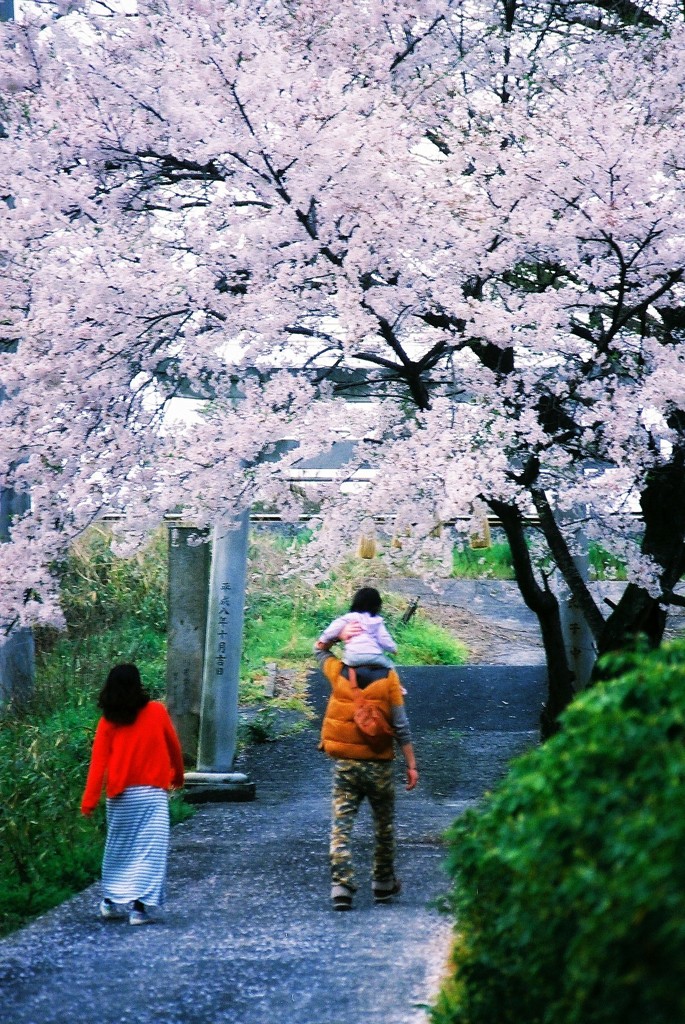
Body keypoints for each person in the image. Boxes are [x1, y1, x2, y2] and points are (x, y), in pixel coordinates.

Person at [314, 629, 419, 912]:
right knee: (383, 826)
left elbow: (319, 649)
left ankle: (341, 887)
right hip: (380, 767)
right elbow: (401, 725)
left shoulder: (339, 672)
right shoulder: (389, 678)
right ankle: (383, 883)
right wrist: (411, 764)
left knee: (341, 827)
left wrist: (340, 633)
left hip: (346, 765)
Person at [80, 663, 185, 926]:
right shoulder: (157, 712)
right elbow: (174, 747)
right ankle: (139, 909)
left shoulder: (108, 721)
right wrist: (178, 776)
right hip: (151, 796)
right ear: (138, 684)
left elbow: (98, 764)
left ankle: (110, 900)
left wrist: (89, 801)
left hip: (120, 798)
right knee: (151, 851)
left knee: (120, 849)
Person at [317, 586, 398, 672]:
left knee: (347, 668)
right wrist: (393, 649)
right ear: (378, 605)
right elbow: (384, 638)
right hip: (373, 655)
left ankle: (351, 681)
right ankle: (396, 685)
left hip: (353, 656)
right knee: (390, 667)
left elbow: (333, 628)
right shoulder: (377, 621)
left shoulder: (349, 617)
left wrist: (323, 639)